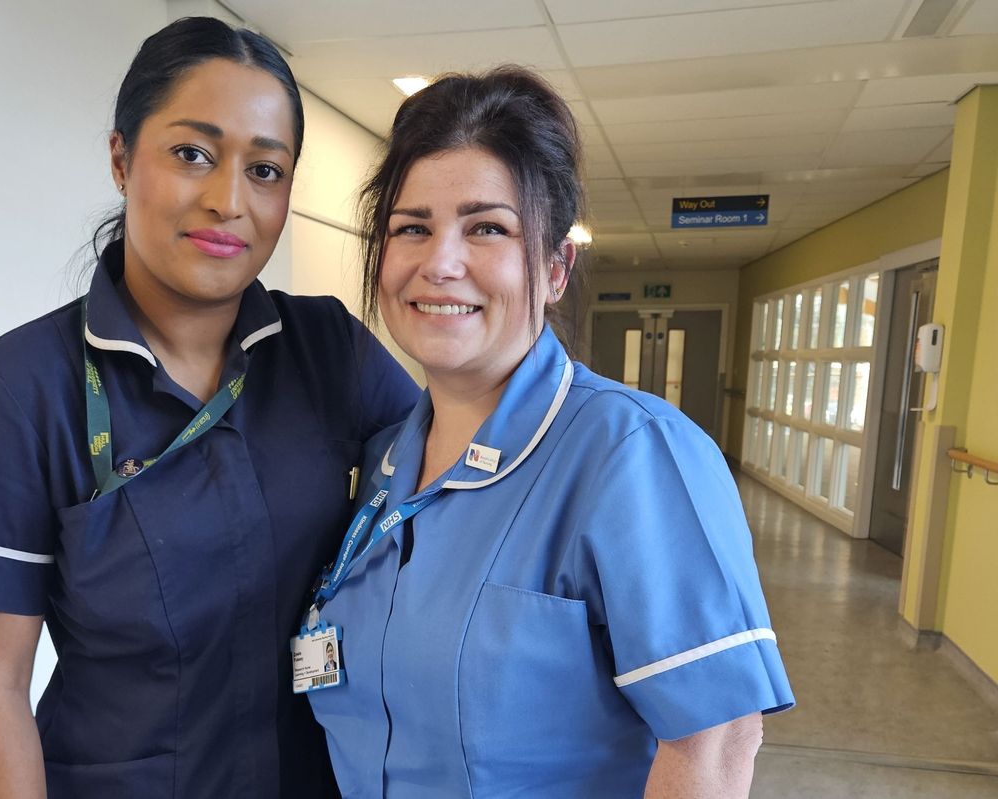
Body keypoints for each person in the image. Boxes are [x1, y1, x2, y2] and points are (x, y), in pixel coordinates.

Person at [0, 16, 418, 798]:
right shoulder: (21, 386)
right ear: (122, 159)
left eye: (265, 169)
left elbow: (461, 470)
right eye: (193, 153)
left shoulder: (328, 349)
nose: (228, 201)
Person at [302, 66, 794, 798]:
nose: (440, 262)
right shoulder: (385, 461)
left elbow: (716, 742)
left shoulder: (630, 455)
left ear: (556, 266)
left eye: (487, 228)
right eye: (412, 227)